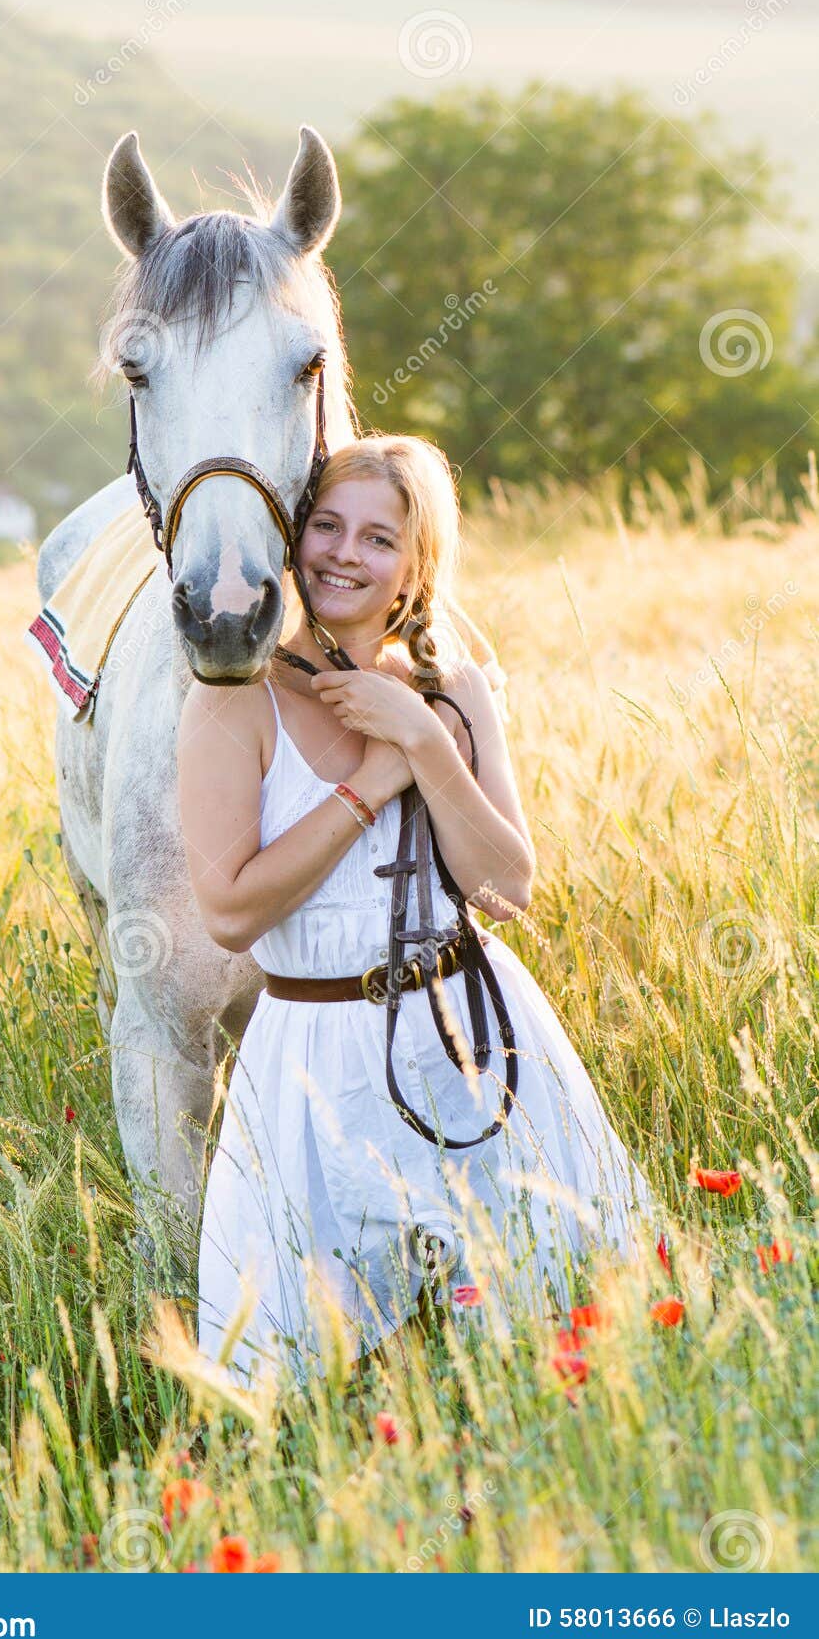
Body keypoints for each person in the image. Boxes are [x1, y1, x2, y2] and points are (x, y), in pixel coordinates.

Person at [177, 435, 654, 1388]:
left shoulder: (453, 690)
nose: (344, 554)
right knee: (301, 1365)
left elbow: (502, 891)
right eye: (325, 526)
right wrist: (372, 782)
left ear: (414, 568)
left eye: (378, 537)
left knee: (530, 1333)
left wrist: (426, 748)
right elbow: (229, 912)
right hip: (315, 1057)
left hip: (469, 1037)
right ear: (291, 538)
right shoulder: (235, 699)